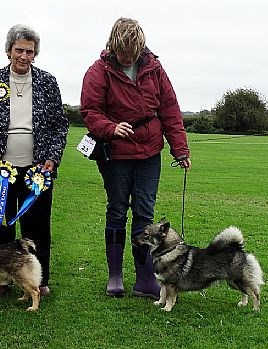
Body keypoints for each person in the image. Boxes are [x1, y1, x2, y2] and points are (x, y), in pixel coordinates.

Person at [80, 18, 191, 300]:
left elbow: (170, 111)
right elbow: (90, 111)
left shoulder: (154, 69)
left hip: (150, 153)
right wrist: (110, 128)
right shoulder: (98, 71)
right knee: (117, 210)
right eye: (121, 52)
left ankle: (144, 279)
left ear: (140, 46)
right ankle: (115, 276)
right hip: (116, 155)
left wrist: (180, 150)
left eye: (131, 52)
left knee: (145, 214)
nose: (126, 57)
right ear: (113, 45)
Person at [0, 24, 69, 297]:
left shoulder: (48, 82)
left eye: (30, 51)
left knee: (37, 227)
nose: (24, 56)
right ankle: (0, 281)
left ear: (36, 54)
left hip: (37, 170)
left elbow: (60, 125)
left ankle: (39, 279)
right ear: (8, 50)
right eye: (19, 50)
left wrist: (52, 157)